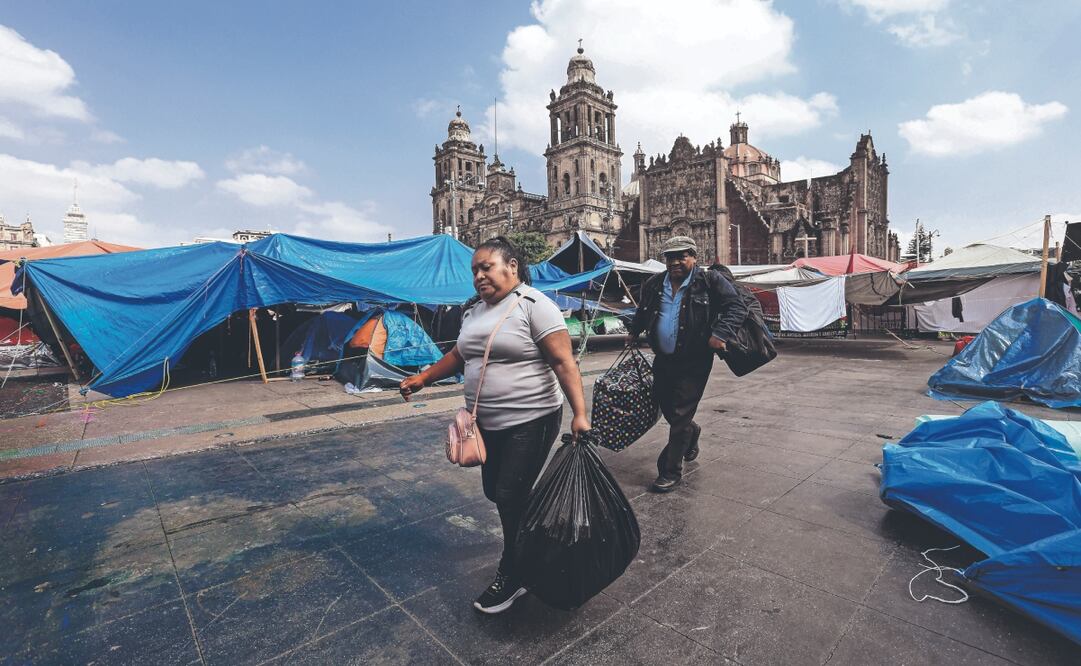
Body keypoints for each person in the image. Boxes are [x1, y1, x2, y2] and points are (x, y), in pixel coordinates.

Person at [399, 236, 591, 614]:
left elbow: (564, 363)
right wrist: (424, 378)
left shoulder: (535, 305)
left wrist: (580, 414)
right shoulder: (473, 312)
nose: (479, 276)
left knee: (508, 494)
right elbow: (459, 354)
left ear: (512, 266)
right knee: (498, 491)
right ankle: (538, 535)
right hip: (486, 423)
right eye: (474, 270)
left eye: (486, 267)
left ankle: (516, 570)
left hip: (531, 418)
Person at [627, 236, 749, 492]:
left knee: (681, 413)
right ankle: (691, 432)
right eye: (670, 257)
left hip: (695, 359)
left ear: (694, 257)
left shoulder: (709, 281)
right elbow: (643, 310)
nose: (675, 262)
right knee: (666, 406)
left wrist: (720, 334)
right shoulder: (654, 283)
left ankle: (670, 470)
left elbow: (737, 307)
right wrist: (634, 331)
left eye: (681, 256)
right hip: (664, 358)